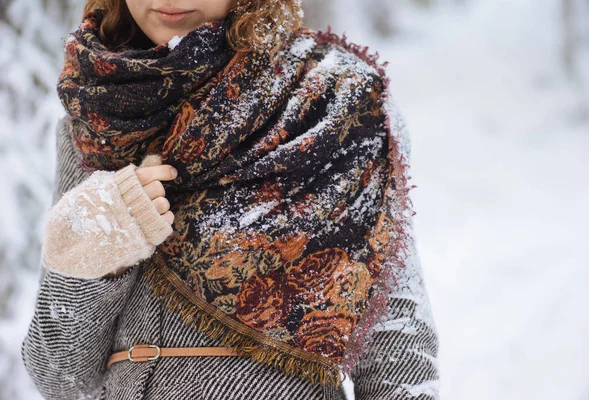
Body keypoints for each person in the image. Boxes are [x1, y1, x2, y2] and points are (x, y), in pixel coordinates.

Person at [21, 0, 440, 399]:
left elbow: (395, 341)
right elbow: (60, 377)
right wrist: (103, 242)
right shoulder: (96, 118)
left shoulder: (331, 104)